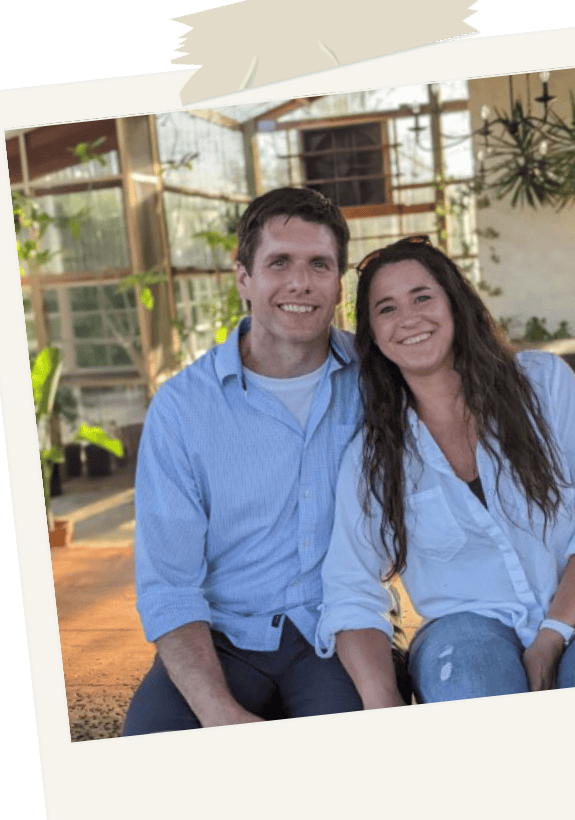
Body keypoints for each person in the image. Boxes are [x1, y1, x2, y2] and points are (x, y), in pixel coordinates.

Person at [315, 235, 575, 706]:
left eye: (422, 297)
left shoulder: (544, 387)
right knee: (469, 688)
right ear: (372, 333)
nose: (408, 318)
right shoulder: (373, 455)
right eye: (385, 309)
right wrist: (382, 705)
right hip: (465, 627)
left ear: (456, 303)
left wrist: (551, 636)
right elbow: (350, 588)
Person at [121, 187, 408, 734]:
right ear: (244, 279)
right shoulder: (182, 409)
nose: (300, 282)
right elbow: (169, 584)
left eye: (319, 265)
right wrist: (218, 712)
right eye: (280, 262)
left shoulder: (381, 381)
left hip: (341, 628)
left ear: (337, 284)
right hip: (223, 635)